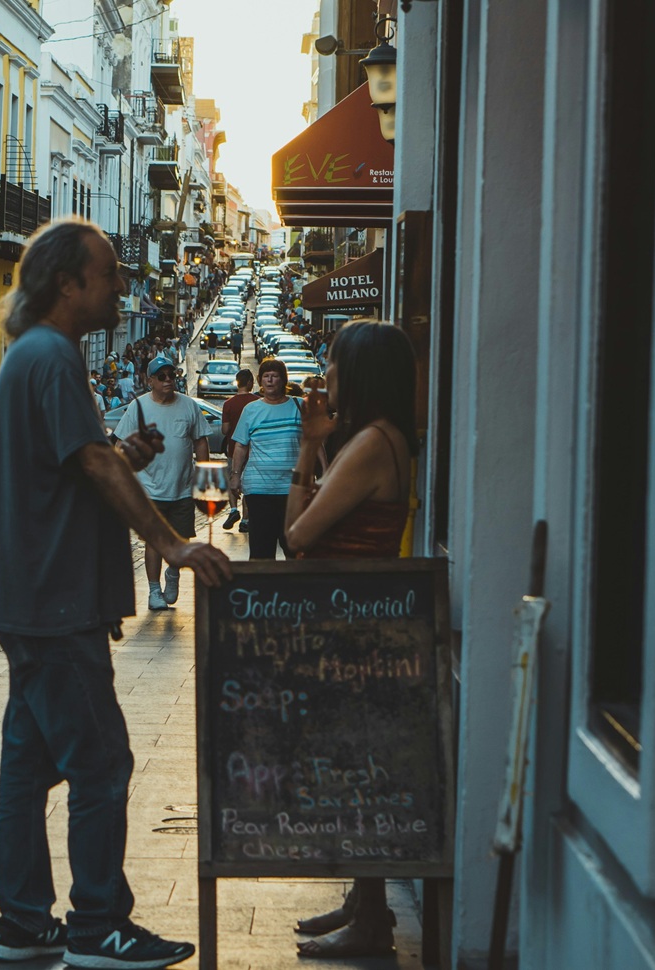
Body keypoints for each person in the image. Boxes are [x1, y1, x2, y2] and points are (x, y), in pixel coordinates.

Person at [0, 218, 231, 970]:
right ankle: (99, 927)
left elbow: (83, 463)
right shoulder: (53, 356)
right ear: (68, 283)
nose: (123, 284)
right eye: (110, 271)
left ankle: (22, 924)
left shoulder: (36, 356)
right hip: (54, 603)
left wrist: (126, 454)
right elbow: (91, 464)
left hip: (30, 599)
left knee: (26, 769)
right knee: (100, 763)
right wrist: (172, 543)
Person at [283, 320, 416, 959]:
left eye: (332, 365)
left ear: (358, 374)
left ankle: (371, 923)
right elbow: (297, 528)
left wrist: (312, 451)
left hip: (355, 631)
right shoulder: (371, 440)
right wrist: (313, 446)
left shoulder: (369, 444)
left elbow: (298, 536)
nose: (323, 375)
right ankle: (365, 904)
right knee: (355, 771)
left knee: (359, 775)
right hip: (352, 622)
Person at [115, 353, 204, 612]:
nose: (168, 380)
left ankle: (173, 574)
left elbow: (200, 441)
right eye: (162, 376)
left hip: (183, 487)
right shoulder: (138, 407)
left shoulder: (189, 405)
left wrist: (203, 473)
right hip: (149, 488)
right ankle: (154, 590)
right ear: (150, 380)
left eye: (171, 375)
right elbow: (121, 444)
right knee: (153, 540)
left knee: (180, 540)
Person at [228, 357, 300, 559]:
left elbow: (314, 442)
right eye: (265, 376)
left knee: (294, 547)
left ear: (283, 380)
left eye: (274, 376)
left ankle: (294, 590)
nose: (269, 381)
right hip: (259, 488)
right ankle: (262, 590)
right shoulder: (251, 410)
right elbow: (241, 445)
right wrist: (235, 475)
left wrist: (323, 470)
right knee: (261, 549)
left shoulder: (299, 406)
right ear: (260, 381)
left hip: (292, 489)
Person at [219, 368, 257, 532]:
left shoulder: (228, 404)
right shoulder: (257, 402)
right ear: (250, 383)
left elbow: (225, 429)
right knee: (247, 484)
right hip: (252, 450)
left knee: (232, 479)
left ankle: (233, 510)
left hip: (233, 449)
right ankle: (246, 519)